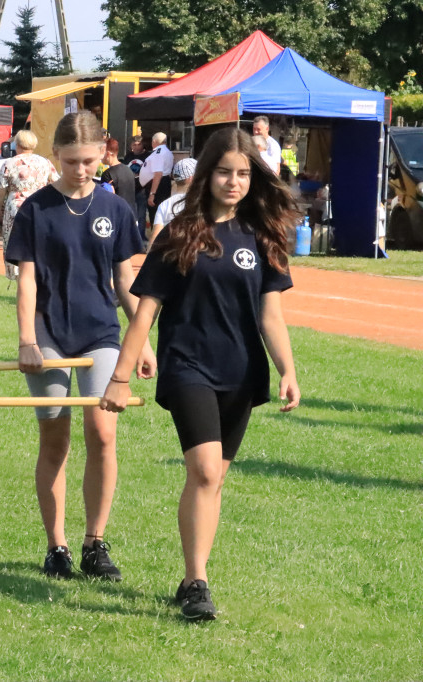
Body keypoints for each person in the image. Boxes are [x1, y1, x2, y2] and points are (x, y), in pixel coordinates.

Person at [101, 127, 301, 621]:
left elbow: (269, 315)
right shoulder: (180, 233)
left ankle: (192, 576)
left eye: (243, 174)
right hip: (187, 366)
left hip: (241, 370)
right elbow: (145, 312)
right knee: (205, 469)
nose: (233, 182)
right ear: (206, 175)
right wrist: (120, 378)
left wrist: (288, 370)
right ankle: (198, 582)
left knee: (211, 481)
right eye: (224, 173)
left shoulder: (262, 235)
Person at [4, 111, 155, 582]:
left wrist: (141, 339)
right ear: (55, 157)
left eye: (89, 161)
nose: (81, 170)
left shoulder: (115, 209)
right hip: (48, 335)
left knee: (104, 435)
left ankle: (95, 542)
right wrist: (28, 340)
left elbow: (124, 278)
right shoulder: (35, 210)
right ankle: (57, 547)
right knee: (55, 439)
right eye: (71, 161)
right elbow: (26, 281)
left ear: (103, 154)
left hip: (100, 334)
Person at [0, 129, 59, 281]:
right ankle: (37, 277)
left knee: (14, 243)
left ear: (18, 144)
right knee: (38, 243)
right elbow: (57, 183)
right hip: (39, 207)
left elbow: (1, 191)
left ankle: (19, 279)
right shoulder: (45, 162)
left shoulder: (9, 163)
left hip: (15, 207)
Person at [150, 157, 197, 246]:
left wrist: (149, 257)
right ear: (191, 178)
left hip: (169, 254)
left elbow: (155, 237)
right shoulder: (199, 203)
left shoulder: (164, 205)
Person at [140, 132, 174, 227]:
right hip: (162, 183)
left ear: (154, 141)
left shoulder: (158, 153)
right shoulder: (167, 152)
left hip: (157, 185)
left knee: (155, 214)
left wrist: (152, 194)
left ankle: (156, 237)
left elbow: (158, 174)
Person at [100, 137, 136, 222]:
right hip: (132, 216)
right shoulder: (128, 170)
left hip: (117, 218)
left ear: (108, 154)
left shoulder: (108, 174)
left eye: (101, 153)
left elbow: (107, 199)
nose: (100, 157)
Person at [123, 135, 150, 231]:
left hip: (142, 189)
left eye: (138, 144)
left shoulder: (147, 156)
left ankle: (141, 236)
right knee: (129, 214)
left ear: (143, 145)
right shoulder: (128, 156)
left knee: (141, 215)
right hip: (129, 189)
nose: (136, 147)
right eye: (134, 144)